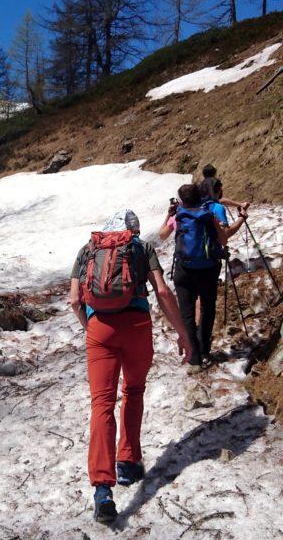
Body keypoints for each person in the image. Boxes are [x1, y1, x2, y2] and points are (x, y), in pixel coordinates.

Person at [69, 209, 191, 524]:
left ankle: (102, 490)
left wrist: (90, 328)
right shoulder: (141, 247)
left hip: (100, 330)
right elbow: (162, 292)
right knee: (133, 390)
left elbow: (73, 300)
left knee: (102, 404)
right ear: (131, 231)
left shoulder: (88, 250)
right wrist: (183, 334)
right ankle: (129, 462)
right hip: (137, 326)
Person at [159, 183, 246, 372]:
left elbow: (162, 235)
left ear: (181, 200)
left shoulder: (178, 216)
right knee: (208, 307)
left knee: (187, 313)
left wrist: (170, 214)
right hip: (208, 268)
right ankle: (205, 347)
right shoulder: (209, 215)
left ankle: (195, 359)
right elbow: (223, 240)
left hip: (184, 269)